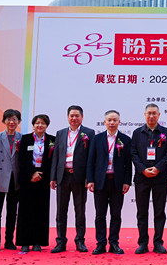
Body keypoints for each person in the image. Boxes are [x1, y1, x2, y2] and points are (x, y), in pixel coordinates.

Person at [49, 105, 95, 253]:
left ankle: (80, 241)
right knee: (61, 211)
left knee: (80, 211)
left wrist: (89, 177)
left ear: (82, 117)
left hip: (79, 177)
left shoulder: (89, 133)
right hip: (63, 176)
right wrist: (53, 177)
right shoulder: (61, 133)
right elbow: (56, 156)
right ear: (68, 117)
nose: (74, 118)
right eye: (71, 116)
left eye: (77, 116)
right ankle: (60, 241)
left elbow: (91, 158)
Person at [87, 110, 132, 254]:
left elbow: (128, 163)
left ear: (119, 122)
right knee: (100, 215)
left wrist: (127, 181)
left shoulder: (125, 139)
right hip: (100, 181)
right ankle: (100, 244)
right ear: (104, 122)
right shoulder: (97, 139)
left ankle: (114, 243)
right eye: (109, 120)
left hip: (117, 182)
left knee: (116, 215)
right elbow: (91, 161)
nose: (112, 122)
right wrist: (90, 180)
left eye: (115, 120)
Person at [131, 103, 167, 254]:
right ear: (144, 115)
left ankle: (158, 242)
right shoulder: (137, 133)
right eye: (149, 113)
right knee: (142, 212)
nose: (151, 116)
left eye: (154, 113)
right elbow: (133, 153)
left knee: (159, 212)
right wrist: (143, 169)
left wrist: (158, 168)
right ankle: (143, 243)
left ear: (159, 115)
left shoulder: (166, 132)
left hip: (159, 177)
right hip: (141, 178)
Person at [16, 114, 54, 252]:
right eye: (37, 123)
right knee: (25, 211)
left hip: (43, 179)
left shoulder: (52, 140)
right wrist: (32, 173)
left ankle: (38, 241)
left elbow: (52, 161)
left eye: (43, 123)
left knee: (41, 211)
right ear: (33, 125)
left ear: (47, 125)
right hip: (28, 179)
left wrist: (41, 174)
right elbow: (22, 160)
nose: (40, 125)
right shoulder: (25, 139)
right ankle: (24, 242)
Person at [0, 109, 22, 252]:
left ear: (18, 121)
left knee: (12, 212)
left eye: (14, 119)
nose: (11, 122)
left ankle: (9, 241)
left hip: (15, 180)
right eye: (8, 119)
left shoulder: (22, 138)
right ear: (4, 121)